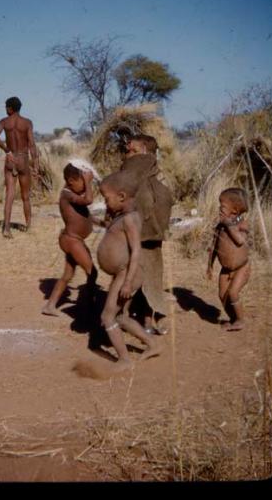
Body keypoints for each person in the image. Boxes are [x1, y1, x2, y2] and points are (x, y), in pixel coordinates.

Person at [96, 171, 161, 369]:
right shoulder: (121, 216)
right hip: (122, 274)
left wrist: (127, 281)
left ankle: (124, 359)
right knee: (121, 317)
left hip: (128, 274)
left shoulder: (131, 219)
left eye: (107, 199)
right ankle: (152, 345)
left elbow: (136, 251)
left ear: (122, 196)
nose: (105, 203)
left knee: (107, 317)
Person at [120, 133, 174, 335]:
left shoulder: (158, 177)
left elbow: (164, 201)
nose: (128, 154)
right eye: (128, 151)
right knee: (128, 277)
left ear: (145, 152)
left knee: (151, 278)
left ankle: (148, 320)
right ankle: (122, 316)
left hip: (151, 237)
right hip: (130, 237)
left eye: (133, 151)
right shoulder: (128, 176)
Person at [41, 163, 98, 318]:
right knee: (92, 273)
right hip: (72, 240)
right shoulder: (67, 194)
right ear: (72, 181)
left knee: (67, 275)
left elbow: (85, 214)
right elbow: (88, 201)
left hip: (74, 240)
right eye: (82, 182)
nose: (85, 186)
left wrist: (102, 222)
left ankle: (50, 305)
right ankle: (89, 306)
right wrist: (88, 182)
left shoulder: (73, 196)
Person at [0, 96, 39, 238]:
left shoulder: (4, 122)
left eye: (6, 107)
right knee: (25, 196)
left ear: (10, 108)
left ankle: (6, 228)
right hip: (23, 159)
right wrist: (36, 164)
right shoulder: (27, 123)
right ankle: (29, 225)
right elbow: (31, 144)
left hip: (10, 159)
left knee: (9, 195)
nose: (5, 109)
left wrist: (7, 150)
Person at [207, 188, 250, 331]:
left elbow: (240, 240)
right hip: (225, 269)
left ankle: (241, 320)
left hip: (241, 267)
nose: (219, 209)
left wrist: (229, 224)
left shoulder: (241, 224)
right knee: (222, 295)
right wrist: (210, 266)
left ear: (235, 211)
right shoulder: (219, 227)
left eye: (223, 207)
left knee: (233, 293)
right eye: (219, 205)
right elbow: (213, 246)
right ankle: (233, 318)